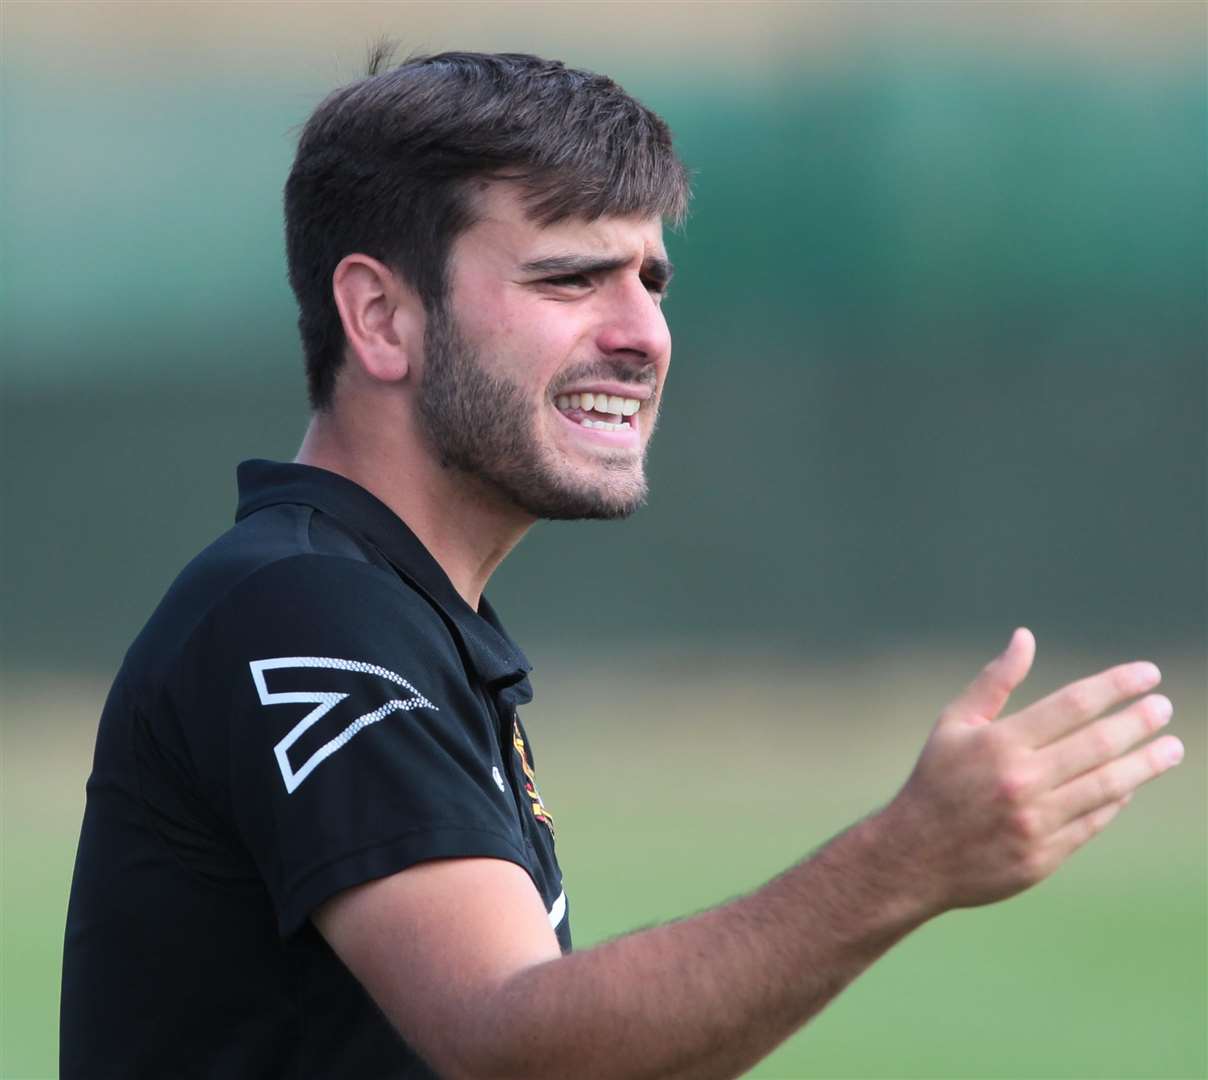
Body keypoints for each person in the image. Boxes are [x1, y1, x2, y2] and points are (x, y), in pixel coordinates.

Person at [60, 50, 1183, 1079]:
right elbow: (514, 1043)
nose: (642, 332)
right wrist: (901, 861)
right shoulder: (300, 610)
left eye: (651, 280)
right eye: (568, 280)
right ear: (380, 317)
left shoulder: (389, 611)